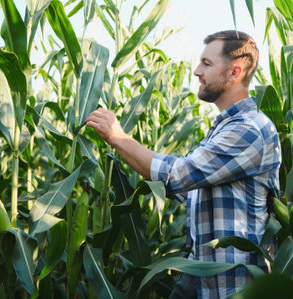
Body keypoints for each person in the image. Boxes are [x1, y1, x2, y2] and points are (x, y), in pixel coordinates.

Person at [86, 30, 281, 298]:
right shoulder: (225, 128)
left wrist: (118, 138)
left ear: (234, 73)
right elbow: (192, 189)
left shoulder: (249, 130)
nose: (197, 71)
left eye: (207, 64)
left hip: (232, 286)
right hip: (201, 277)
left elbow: (178, 175)